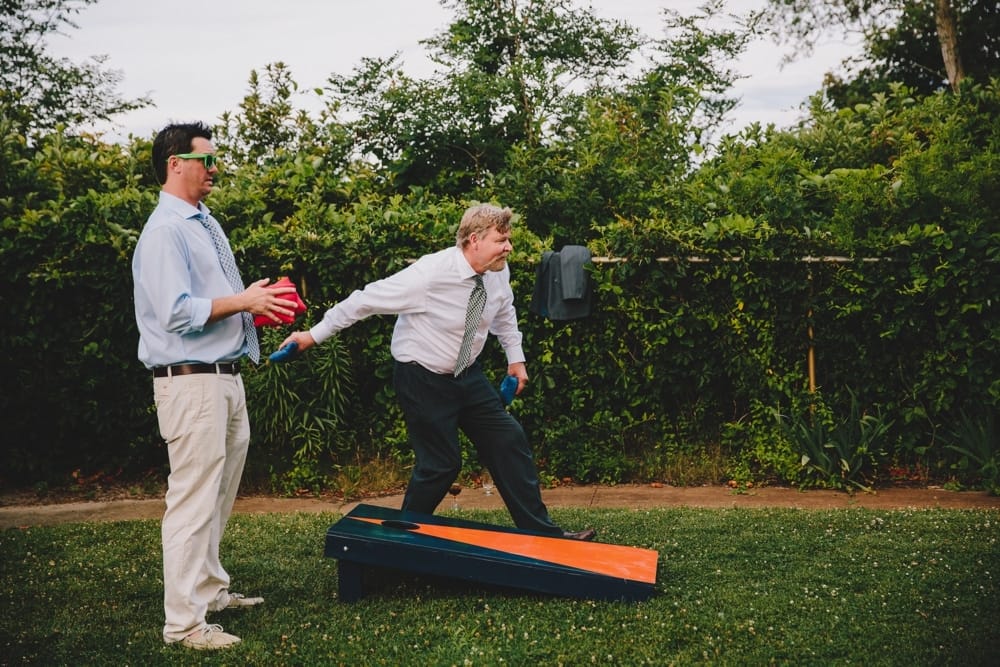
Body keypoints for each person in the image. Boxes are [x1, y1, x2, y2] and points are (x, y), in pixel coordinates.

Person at [279, 203, 596, 541]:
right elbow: (364, 301)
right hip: (422, 377)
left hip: (467, 376)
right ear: (474, 240)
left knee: (508, 439)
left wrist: (515, 359)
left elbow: (504, 310)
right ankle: (399, 543)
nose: (509, 247)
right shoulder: (429, 274)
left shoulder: (497, 271)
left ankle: (544, 536)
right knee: (441, 464)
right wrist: (311, 336)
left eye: (508, 239)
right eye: (501, 240)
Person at [132, 122, 298, 651]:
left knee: (218, 496)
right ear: (173, 164)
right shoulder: (165, 231)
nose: (214, 170)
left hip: (223, 377)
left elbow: (213, 301)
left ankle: (208, 591)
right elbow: (176, 313)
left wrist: (252, 301)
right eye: (205, 160)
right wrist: (244, 302)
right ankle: (183, 625)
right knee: (192, 500)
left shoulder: (205, 223)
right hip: (190, 382)